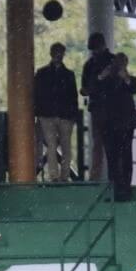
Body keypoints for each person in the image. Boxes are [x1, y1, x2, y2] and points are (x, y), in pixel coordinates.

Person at [91, 52, 136, 201]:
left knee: (126, 157)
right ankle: (115, 189)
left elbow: (135, 88)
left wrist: (126, 78)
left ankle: (126, 188)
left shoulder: (131, 79)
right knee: (112, 158)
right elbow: (92, 89)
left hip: (126, 124)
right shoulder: (105, 80)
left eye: (122, 63)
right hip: (109, 124)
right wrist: (101, 76)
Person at [33, 42, 79, 182]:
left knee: (65, 147)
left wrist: (73, 116)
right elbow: (36, 95)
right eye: (56, 52)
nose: (58, 55)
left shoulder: (46, 74)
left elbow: (74, 97)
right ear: (52, 54)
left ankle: (63, 176)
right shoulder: (44, 73)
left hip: (61, 115)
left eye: (60, 53)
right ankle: (55, 176)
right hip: (49, 115)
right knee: (54, 145)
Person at [80, 33, 114, 180]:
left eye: (96, 48)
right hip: (105, 108)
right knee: (103, 144)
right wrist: (99, 79)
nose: (95, 52)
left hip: (103, 107)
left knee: (101, 145)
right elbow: (85, 88)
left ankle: (99, 176)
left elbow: (86, 87)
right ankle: (110, 177)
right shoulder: (111, 61)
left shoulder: (90, 64)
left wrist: (96, 82)